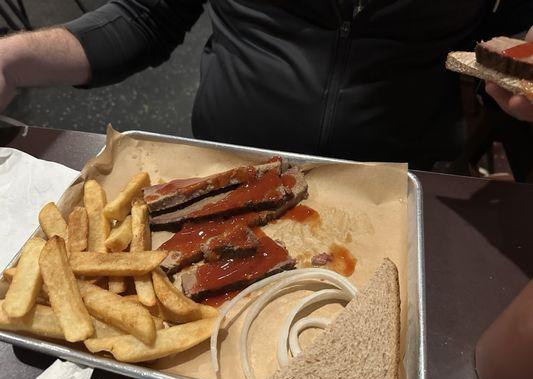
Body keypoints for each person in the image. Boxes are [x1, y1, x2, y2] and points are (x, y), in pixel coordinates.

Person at [0, 0, 531, 169]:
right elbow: (148, 16)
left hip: (406, 176)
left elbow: (514, 33)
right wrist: (14, 58)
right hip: (225, 165)